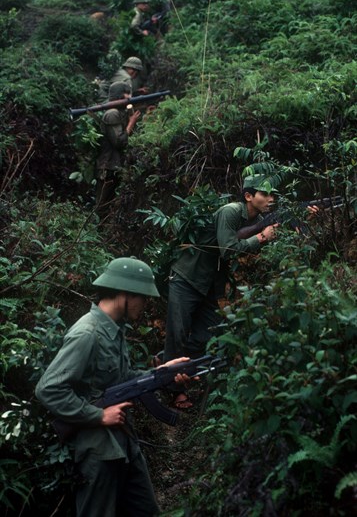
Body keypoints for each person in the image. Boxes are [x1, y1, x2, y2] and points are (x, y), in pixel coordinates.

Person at [35, 256, 192, 517]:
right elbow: (49, 389)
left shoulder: (113, 329)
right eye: (143, 297)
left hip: (123, 441)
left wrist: (163, 375)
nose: (145, 304)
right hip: (98, 448)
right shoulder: (87, 333)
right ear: (124, 293)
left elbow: (122, 378)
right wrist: (98, 415)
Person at [163, 174, 279, 408]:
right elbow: (229, 250)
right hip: (187, 278)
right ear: (248, 196)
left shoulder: (258, 217)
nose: (271, 199)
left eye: (272, 194)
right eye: (264, 194)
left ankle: (174, 368)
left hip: (208, 285)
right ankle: (172, 389)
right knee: (178, 333)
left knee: (206, 335)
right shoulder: (231, 211)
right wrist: (260, 238)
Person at [95, 81, 140, 223]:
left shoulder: (120, 113)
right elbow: (120, 142)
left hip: (115, 167)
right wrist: (131, 122)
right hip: (108, 167)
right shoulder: (112, 114)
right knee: (102, 207)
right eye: (127, 95)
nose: (129, 98)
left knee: (111, 207)